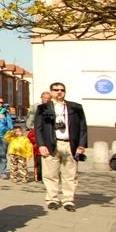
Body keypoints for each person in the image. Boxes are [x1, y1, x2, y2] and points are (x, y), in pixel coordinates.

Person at [35, 82, 87, 212]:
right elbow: (38, 128)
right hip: (52, 144)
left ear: (65, 92)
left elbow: (83, 127)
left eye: (62, 90)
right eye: (56, 90)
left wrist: (81, 145)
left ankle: (68, 200)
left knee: (70, 174)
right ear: (51, 92)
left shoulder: (76, 107)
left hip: (70, 144)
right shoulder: (43, 108)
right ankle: (52, 199)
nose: (59, 92)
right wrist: (41, 145)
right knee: (50, 174)